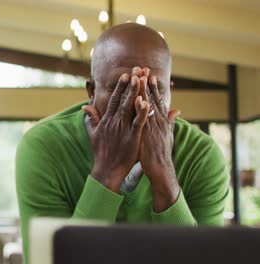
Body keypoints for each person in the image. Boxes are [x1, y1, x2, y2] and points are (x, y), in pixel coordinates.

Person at [15, 23, 229, 263]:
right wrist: (108, 172)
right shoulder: (45, 147)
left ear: (170, 92)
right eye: (120, 86)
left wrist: (165, 177)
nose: (140, 103)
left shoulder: (202, 156)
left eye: (154, 88)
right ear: (91, 91)